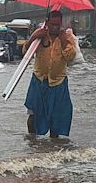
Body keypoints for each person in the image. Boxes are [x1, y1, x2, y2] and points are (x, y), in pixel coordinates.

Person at [22, 10, 76, 138]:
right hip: (39, 80)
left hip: (58, 82)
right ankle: (32, 141)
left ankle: (53, 146)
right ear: (47, 23)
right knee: (33, 113)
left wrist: (63, 42)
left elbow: (70, 57)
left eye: (57, 25)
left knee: (56, 116)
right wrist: (33, 38)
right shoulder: (40, 35)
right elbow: (25, 53)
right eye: (52, 24)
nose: (55, 28)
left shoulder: (67, 37)